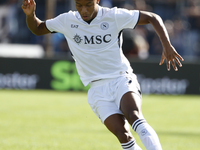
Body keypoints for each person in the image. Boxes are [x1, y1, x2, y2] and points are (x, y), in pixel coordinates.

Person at [22, 0, 184, 149]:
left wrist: (166, 45)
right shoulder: (67, 20)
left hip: (120, 78)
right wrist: (31, 15)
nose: (83, 10)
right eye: (79, 5)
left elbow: (152, 17)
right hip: (97, 88)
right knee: (123, 135)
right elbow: (37, 29)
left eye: (88, 5)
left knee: (134, 116)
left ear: (97, 1)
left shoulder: (113, 16)